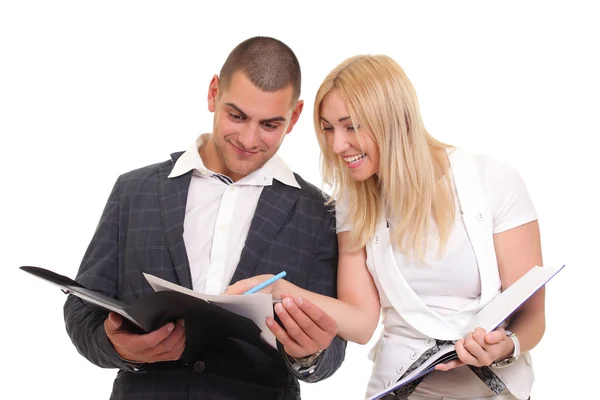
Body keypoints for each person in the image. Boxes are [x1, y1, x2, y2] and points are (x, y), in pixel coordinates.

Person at [227, 54, 545, 400]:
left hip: (490, 391)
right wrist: (275, 290)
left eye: (351, 126)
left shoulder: (492, 181)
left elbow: (532, 317)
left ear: (392, 119)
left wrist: (505, 346)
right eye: (328, 128)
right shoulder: (354, 203)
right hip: (398, 389)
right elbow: (361, 322)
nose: (336, 145)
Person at [63, 36, 346, 400]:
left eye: (269, 125)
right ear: (213, 93)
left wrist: (310, 353)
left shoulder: (319, 214)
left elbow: (333, 347)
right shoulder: (134, 191)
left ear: (294, 117)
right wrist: (117, 348)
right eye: (236, 115)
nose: (248, 138)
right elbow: (82, 306)